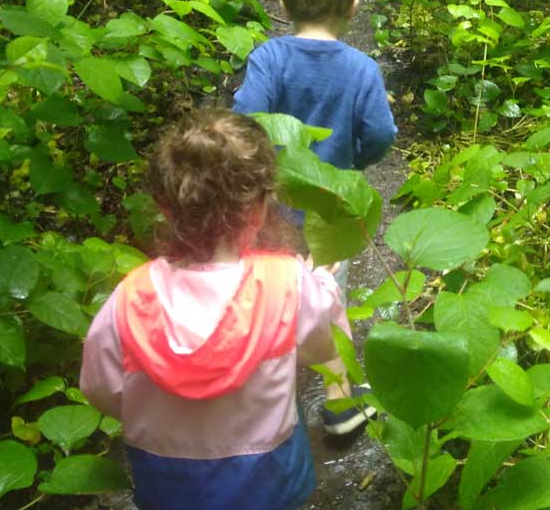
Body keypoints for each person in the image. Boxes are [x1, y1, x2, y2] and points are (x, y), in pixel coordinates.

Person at [80, 110, 352, 510]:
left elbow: (101, 390)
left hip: (167, 482)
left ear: (166, 208)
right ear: (260, 207)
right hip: (268, 478)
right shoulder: (286, 282)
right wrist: (324, 282)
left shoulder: (131, 297)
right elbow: (323, 347)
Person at [233, 0, 396, 434]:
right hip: (332, 204)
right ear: (353, 7)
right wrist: (352, 164)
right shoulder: (361, 69)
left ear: (282, 6)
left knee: (262, 292)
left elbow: (246, 124)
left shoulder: (269, 59)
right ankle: (341, 401)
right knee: (325, 299)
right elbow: (382, 135)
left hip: (272, 206)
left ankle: (255, 397)